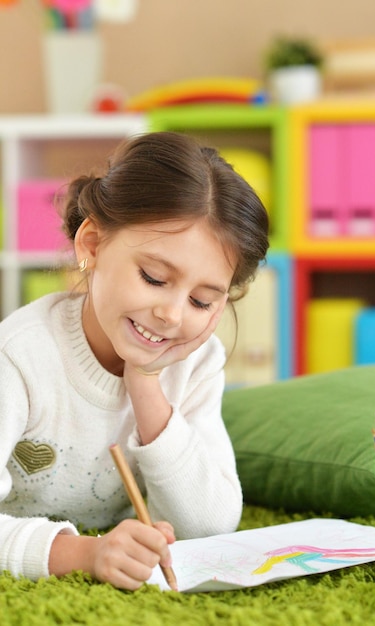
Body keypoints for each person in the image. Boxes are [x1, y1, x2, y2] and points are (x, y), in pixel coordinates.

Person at [0, 131, 269, 590]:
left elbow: (210, 525)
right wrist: (84, 552)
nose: (171, 315)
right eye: (154, 277)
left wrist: (146, 381)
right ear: (92, 246)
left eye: (203, 301)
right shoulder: (19, 357)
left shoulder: (197, 362)